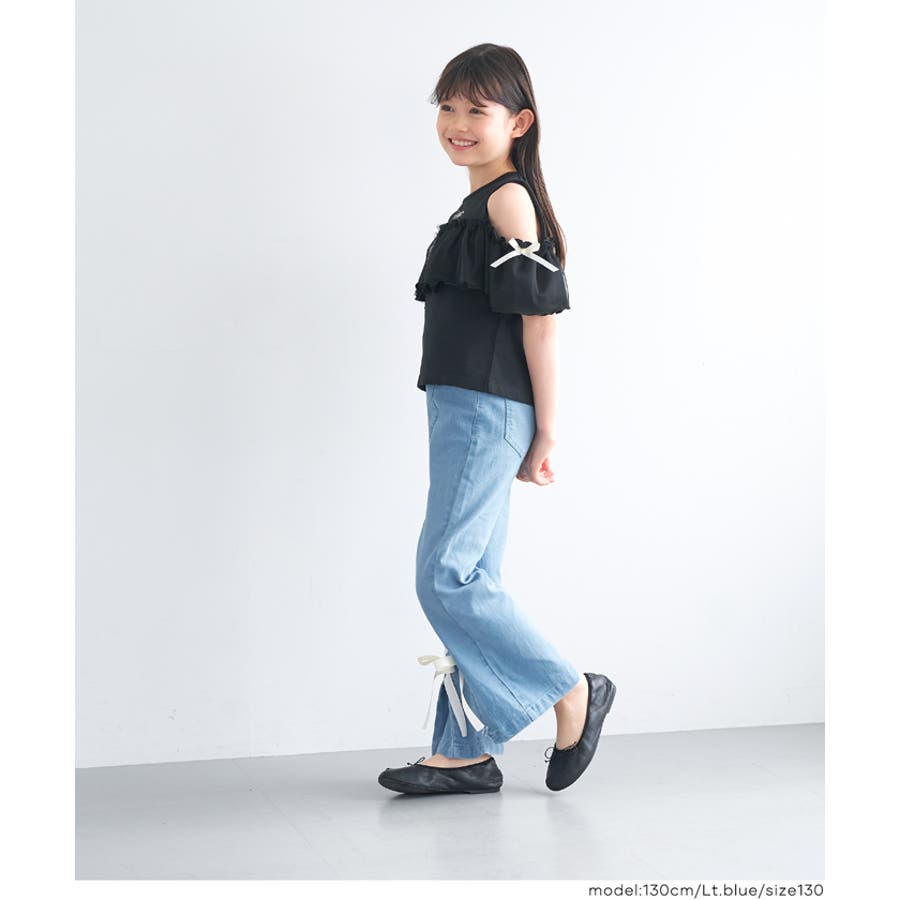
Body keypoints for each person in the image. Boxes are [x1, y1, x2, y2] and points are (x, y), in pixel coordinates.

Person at [378, 44, 616, 796]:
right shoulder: (479, 202)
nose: (456, 122)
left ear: (518, 122)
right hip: (462, 404)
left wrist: (546, 429)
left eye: (476, 109)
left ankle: (568, 688)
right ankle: (466, 750)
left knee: (444, 576)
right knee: (472, 577)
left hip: (485, 409)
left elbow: (540, 325)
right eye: (447, 107)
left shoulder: (508, 201)